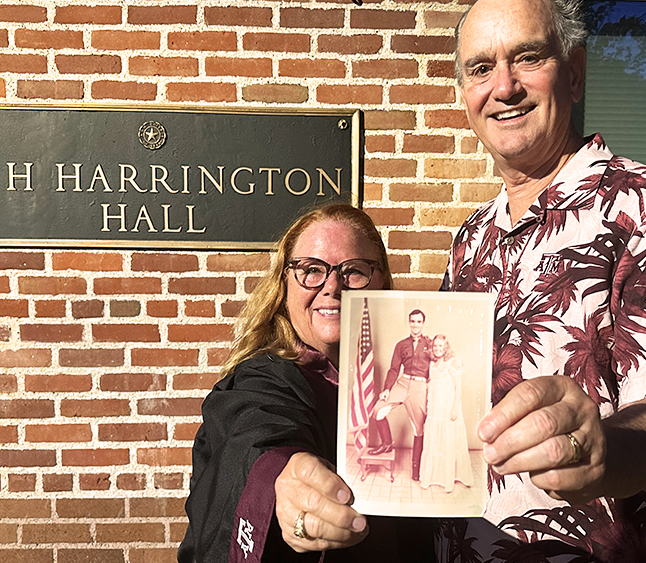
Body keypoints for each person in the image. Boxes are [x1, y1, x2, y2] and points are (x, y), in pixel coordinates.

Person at [437, 0, 646, 561]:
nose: (504, 87)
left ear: (574, 72)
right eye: (480, 68)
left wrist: (605, 453)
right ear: (463, 95)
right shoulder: (470, 239)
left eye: (527, 58)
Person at [179, 204, 434, 563]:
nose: (332, 286)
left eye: (354, 271)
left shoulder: (383, 374)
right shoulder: (262, 379)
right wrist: (280, 477)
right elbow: (253, 431)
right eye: (311, 270)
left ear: (381, 282)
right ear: (284, 283)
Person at [367, 309, 431, 481]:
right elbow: (394, 369)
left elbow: (436, 368)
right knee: (377, 411)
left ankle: (416, 470)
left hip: (419, 386)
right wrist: (387, 388)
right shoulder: (401, 344)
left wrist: (431, 391)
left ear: (423, 323)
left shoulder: (431, 344)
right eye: (412, 321)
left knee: (419, 429)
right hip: (403, 382)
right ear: (409, 323)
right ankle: (386, 444)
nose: (415, 325)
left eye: (419, 322)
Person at [419, 334, 474, 493]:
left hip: (448, 408)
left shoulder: (453, 363)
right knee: (434, 442)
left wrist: (455, 407)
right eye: (435, 346)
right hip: (435, 409)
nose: (437, 349)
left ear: (446, 347)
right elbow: (432, 385)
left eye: (440, 346)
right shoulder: (431, 365)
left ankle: (449, 480)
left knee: (449, 442)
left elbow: (458, 388)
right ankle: (431, 477)